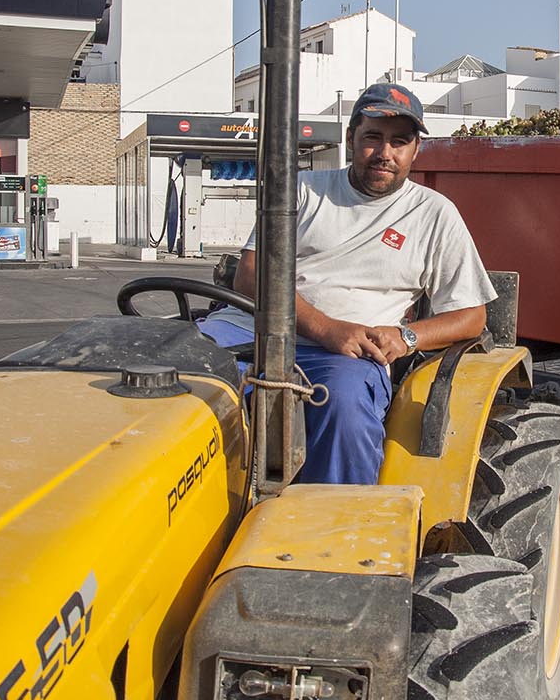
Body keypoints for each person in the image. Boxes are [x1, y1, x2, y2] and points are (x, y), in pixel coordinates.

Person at [200, 82, 496, 485]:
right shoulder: (303, 190)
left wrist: (406, 337)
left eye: (399, 142)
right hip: (247, 331)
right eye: (373, 137)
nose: (385, 153)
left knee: (343, 406)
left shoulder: (434, 214)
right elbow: (251, 274)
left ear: (415, 150)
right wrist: (325, 328)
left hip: (346, 361)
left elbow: (471, 316)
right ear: (351, 138)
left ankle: (335, 521)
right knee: (168, 379)